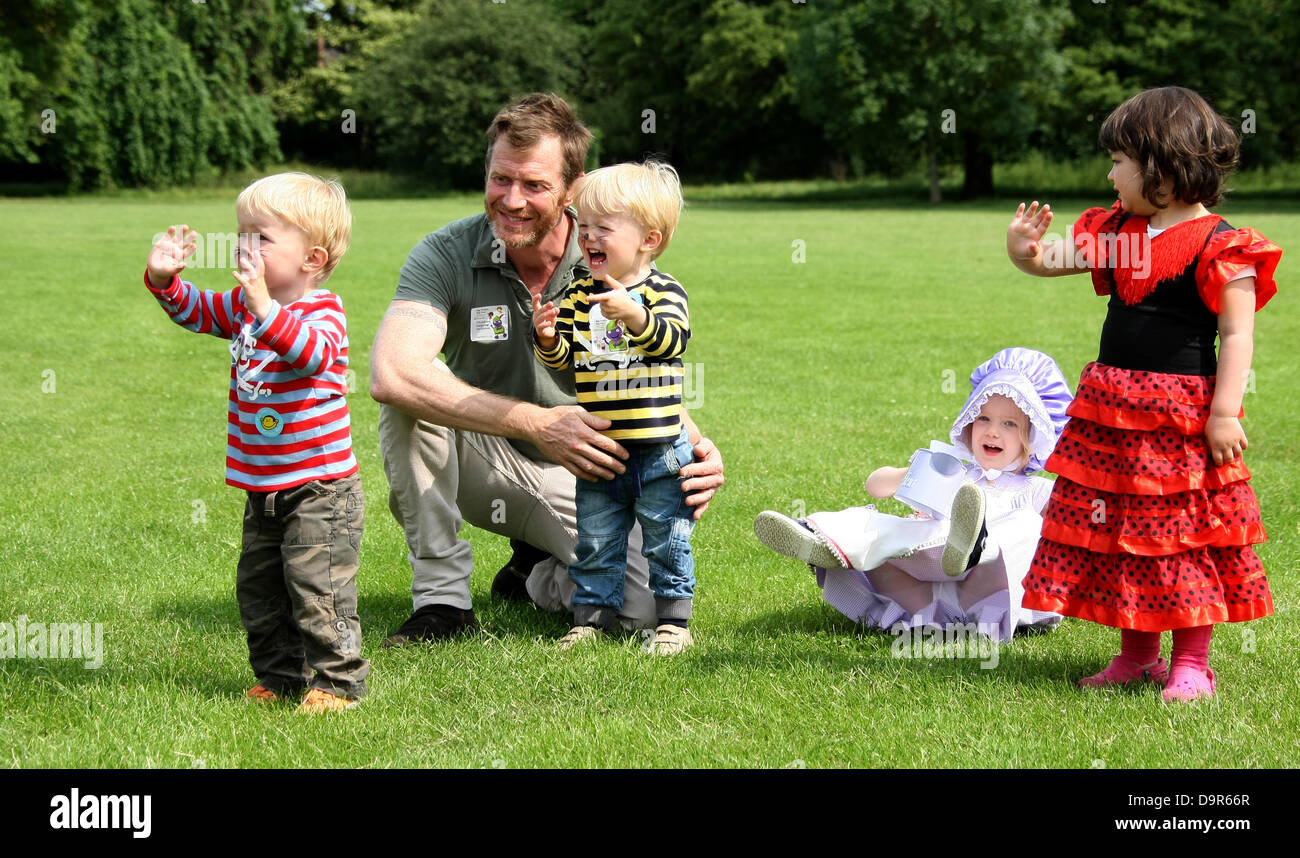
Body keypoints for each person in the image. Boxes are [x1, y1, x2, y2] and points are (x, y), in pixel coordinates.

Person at [370, 94, 723, 646]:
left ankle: (535, 575)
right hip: (488, 451)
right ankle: (441, 602)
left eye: (534, 185)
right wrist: (536, 424)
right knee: (406, 402)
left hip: (590, 465)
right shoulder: (444, 253)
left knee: (644, 613)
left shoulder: (609, 252)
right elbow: (392, 372)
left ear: (573, 188)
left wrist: (696, 449)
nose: (511, 200)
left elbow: (650, 365)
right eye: (500, 179)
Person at [1006, 86, 1281, 701]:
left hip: (1179, 415)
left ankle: (1190, 662)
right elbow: (1050, 261)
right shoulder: (1122, 230)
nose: (1109, 174)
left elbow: (1237, 334)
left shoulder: (1222, 245)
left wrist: (1224, 414)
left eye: (1119, 162)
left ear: (1162, 163)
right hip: (1113, 409)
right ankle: (1136, 656)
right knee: (1125, 535)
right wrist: (1022, 251)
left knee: (1179, 534)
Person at [143, 172, 368, 713]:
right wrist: (165, 278)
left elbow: (310, 354)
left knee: (319, 590)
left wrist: (265, 308)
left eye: (260, 238)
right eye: (241, 234)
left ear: (312, 258)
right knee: (261, 592)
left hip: (320, 488)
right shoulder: (246, 309)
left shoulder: (322, 312)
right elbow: (197, 312)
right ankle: (281, 678)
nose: (244, 246)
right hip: (262, 485)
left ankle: (338, 683)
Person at [754, 348, 1072, 643]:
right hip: (931, 579)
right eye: (984, 418)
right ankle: (824, 541)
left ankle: (974, 545)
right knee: (881, 525)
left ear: (1032, 436)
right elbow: (875, 487)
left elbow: (1070, 525)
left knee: (1027, 527)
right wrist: (908, 475)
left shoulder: (1035, 490)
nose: (991, 431)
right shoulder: (954, 473)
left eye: (1009, 424)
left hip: (987, 587)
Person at [531, 160, 697, 654]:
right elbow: (570, 360)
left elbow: (671, 341)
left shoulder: (663, 291)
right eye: (583, 226)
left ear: (649, 239)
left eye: (604, 227)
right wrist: (546, 339)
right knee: (597, 540)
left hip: (659, 450)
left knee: (666, 538)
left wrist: (636, 316)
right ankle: (591, 620)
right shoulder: (581, 294)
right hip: (601, 448)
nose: (589, 237)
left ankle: (673, 623)